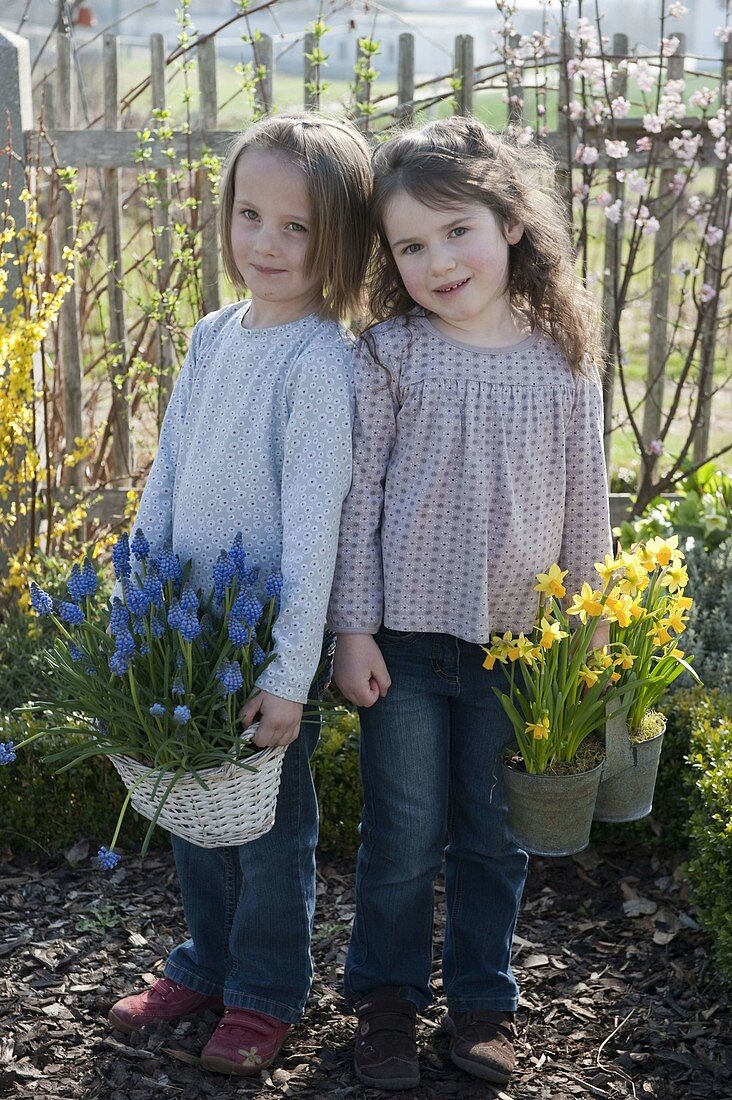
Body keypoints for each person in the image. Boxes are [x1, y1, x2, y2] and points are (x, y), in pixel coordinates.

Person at [328, 116, 612, 1090]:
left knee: (494, 835)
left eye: (457, 231)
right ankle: (386, 1001)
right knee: (403, 835)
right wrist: (353, 627)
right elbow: (358, 504)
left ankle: (483, 1002)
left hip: (520, 650)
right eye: (412, 245)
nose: (439, 260)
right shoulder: (390, 356)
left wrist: (592, 633)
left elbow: (587, 504)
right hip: (403, 647)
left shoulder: (563, 353)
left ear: (513, 221)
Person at [107, 113, 372, 1077]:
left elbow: (313, 531)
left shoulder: (321, 362)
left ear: (338, 238)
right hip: (184, 634)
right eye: (250, 214)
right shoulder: (214, 336)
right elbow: (170, 470)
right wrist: (137, 601)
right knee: (191, 805)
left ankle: (263, 994)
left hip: (261, 643)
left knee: (268, 829)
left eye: (296, 226)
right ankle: (205, 961)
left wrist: (287, 674)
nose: (266, 242)